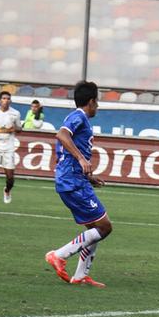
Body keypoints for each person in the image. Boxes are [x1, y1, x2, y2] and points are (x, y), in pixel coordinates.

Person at [44, 81, 112, 288]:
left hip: (75, 179)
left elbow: (66, 150)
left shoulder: (79, 119)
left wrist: (89, 177)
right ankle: (59, 255)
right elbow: (61, 135)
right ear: (91, 102)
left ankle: (81, 275)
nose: (97, 106)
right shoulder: (78, 116)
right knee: (104, 227)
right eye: (97, 102)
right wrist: (82, 159)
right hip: (72, 181)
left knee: (94, 229)